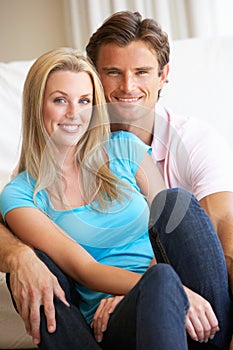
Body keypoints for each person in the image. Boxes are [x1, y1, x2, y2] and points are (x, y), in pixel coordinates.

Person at [0, 9, 233, 348]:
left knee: (176, 206)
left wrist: (170, 285)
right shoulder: (21, 195)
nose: (73, 113)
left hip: (184, 304)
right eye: (59, 100)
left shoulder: (126, 147)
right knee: (161, 281)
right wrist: (149, 286)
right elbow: (84, 268)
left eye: (84, 101)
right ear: (38, 106)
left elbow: (167, 236)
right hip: (112, 318)